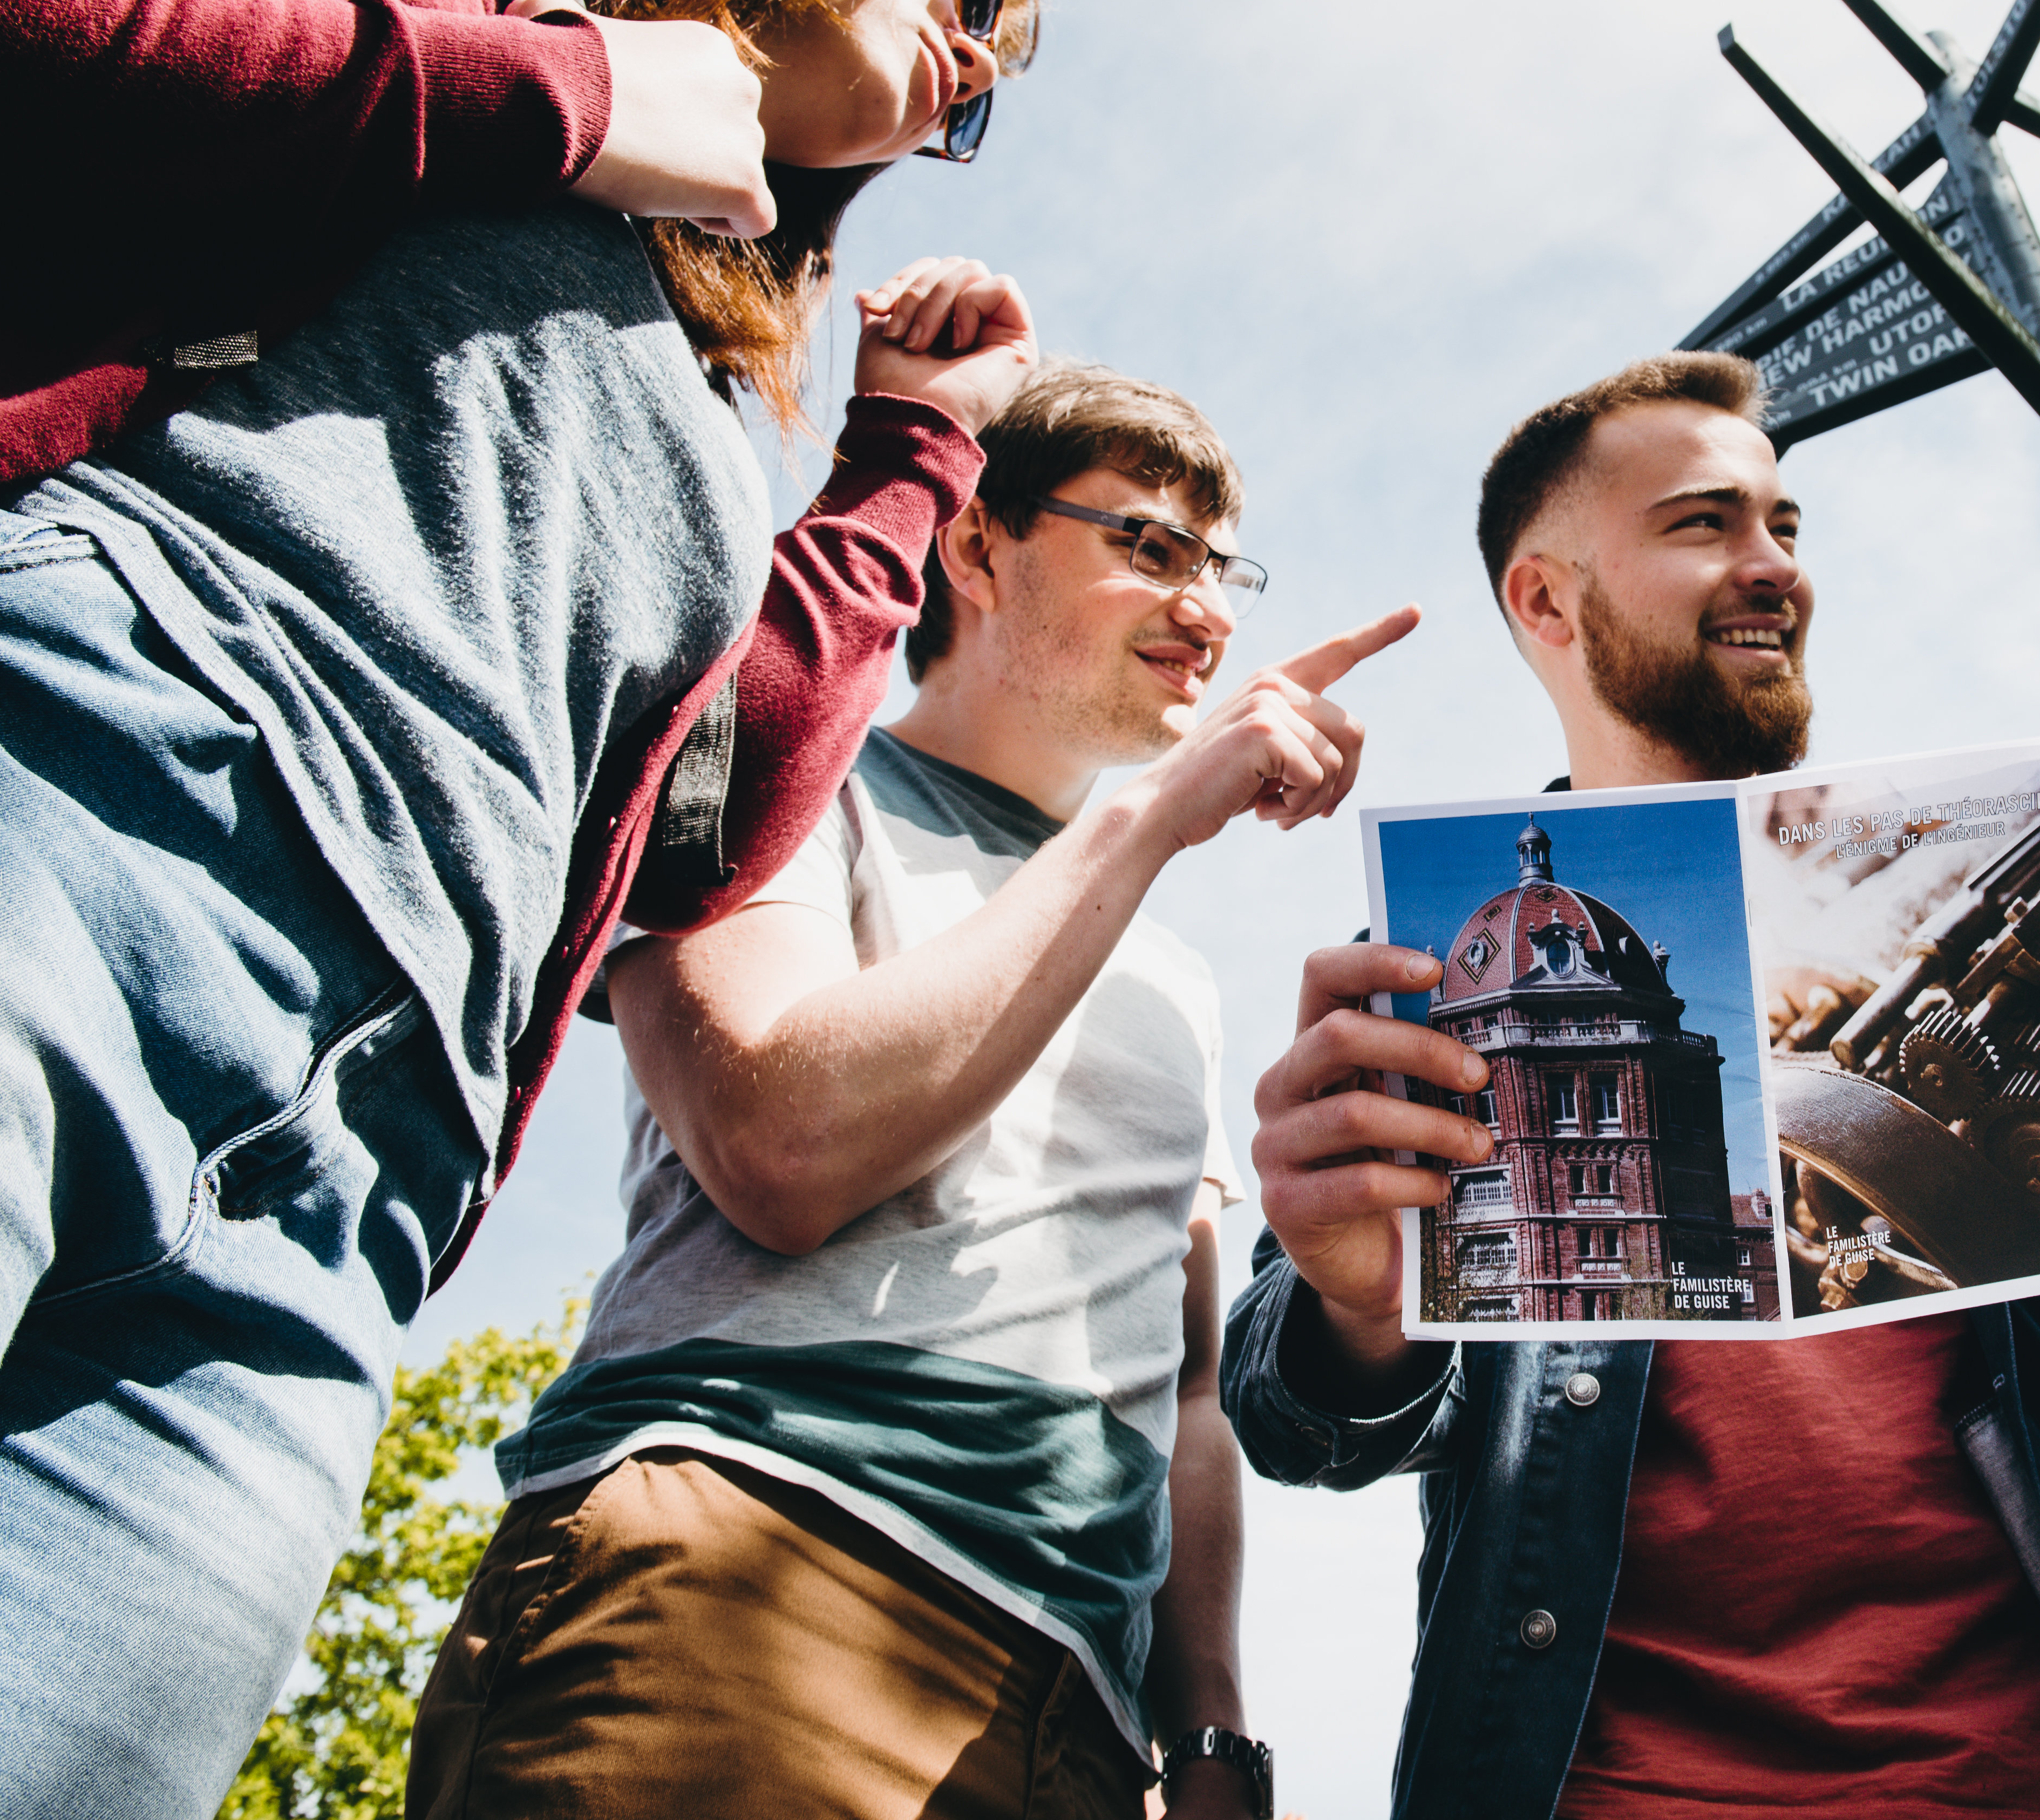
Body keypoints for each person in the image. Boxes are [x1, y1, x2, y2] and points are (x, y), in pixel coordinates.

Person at [0, 0, 1046, 1815]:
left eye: (996, 82)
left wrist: (905, 458)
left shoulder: (706, 385)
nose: (976, 68)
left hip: (329, 1212)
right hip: (29, 814)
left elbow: (692, 829)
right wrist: (558, 98)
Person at [1227, 351, 2040, 1820]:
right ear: (1547, 601)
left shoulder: (2005, 903)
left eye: (1787, 525)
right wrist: (1355, 1308)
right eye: (1706, 524)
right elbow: (1298, 1422)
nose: (1775, 569)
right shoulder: (1418, 971)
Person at [405, 367, 1406, 1819]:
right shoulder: (795, 779)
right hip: (760, 1571)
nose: (1209, 609)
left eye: (1222, 566)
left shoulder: (1172, 979)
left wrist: (1210, 1743)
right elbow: (778, 1142)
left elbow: (1184, 1387)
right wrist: (1154, 819)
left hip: (1077, 1708)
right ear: (979, 547)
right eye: (1147, 546)